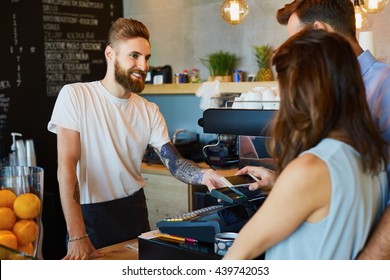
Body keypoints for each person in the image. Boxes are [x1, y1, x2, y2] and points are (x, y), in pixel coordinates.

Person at [47, 18, 223, 260]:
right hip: (89, 217)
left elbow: (174, 162)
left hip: (134, 211)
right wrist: (77, 235)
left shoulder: (149, 110)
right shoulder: (76, 96)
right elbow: (66, 168)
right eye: (134, 55)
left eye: (147, 57)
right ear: (110, 54)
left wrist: (206, 175)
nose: (143, 65)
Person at [238, 0, 390, 259]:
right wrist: (288, 185)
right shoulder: (349, 145)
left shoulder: (385, 86)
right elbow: (333, 180)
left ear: (318, 31)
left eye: (296, 41)